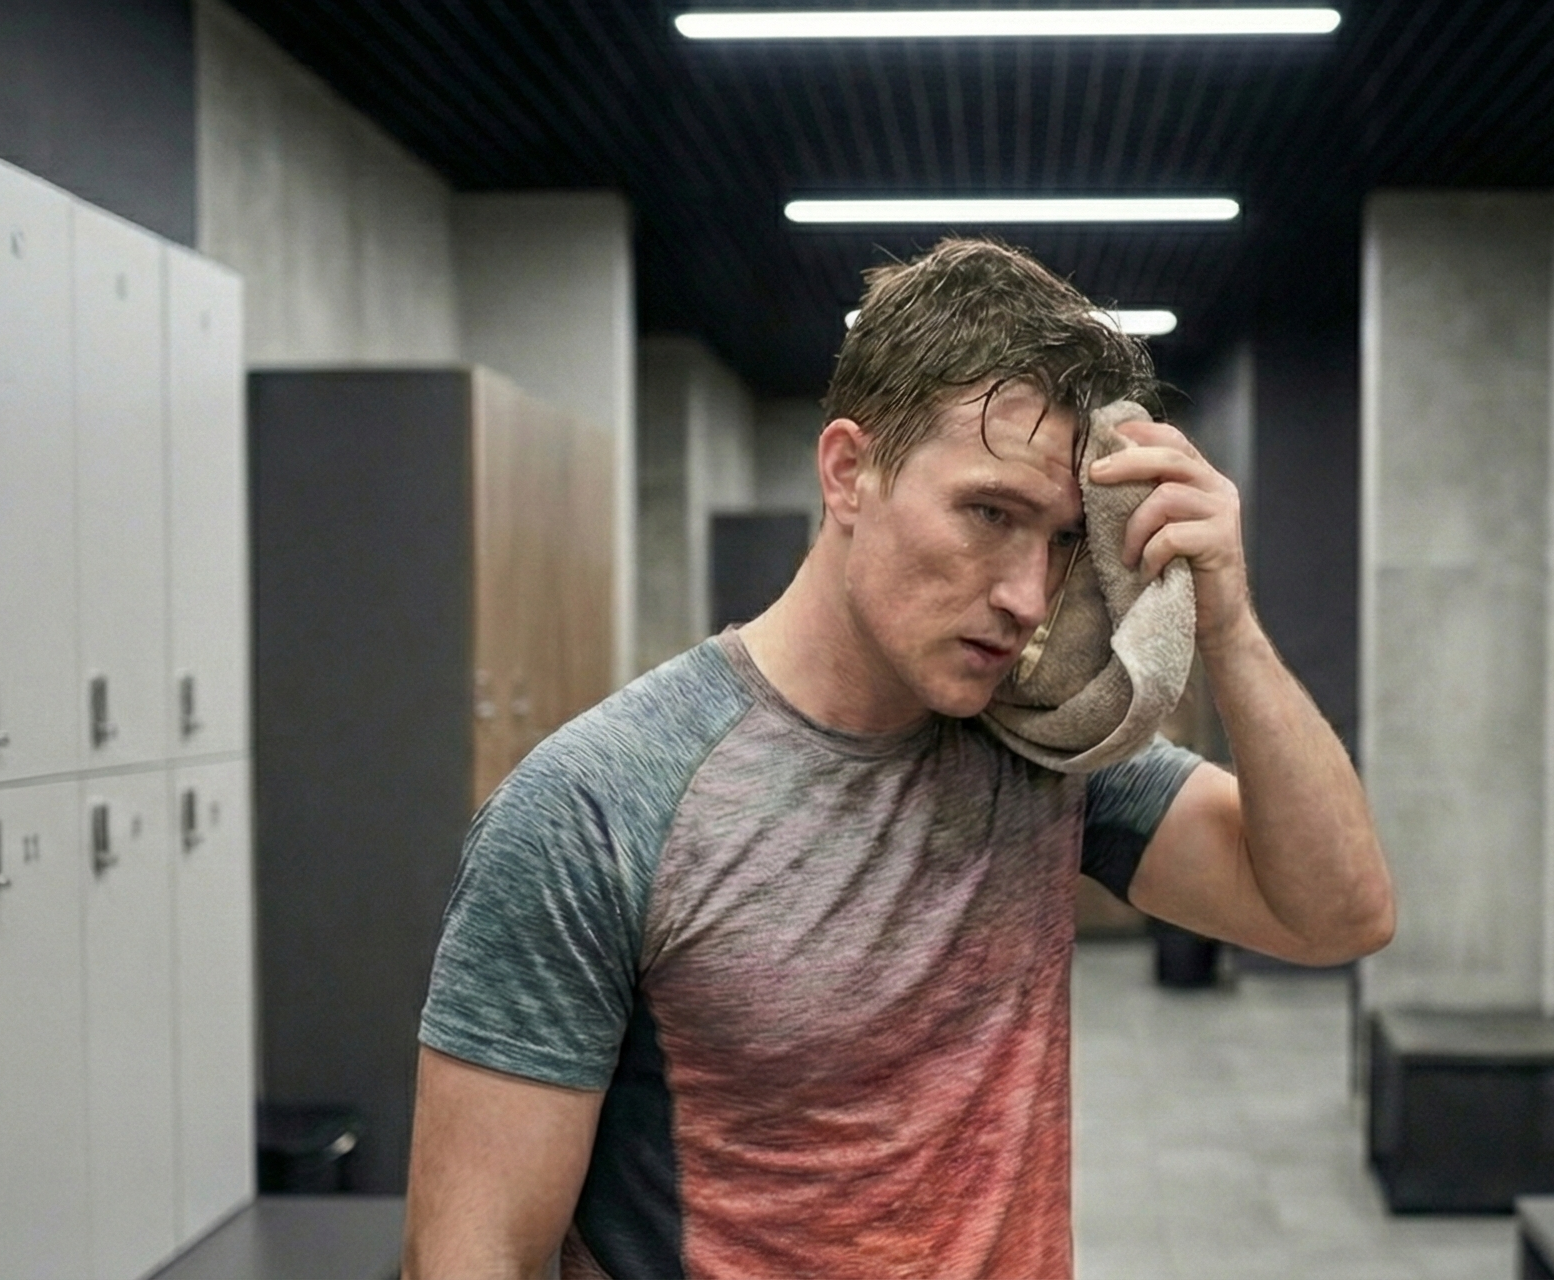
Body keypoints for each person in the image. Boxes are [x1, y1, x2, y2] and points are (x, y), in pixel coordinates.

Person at [400, 239, 1392, 1279]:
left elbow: (1335, 912)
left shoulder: (1041, 746)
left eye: (1058, 540)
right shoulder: (593, 806)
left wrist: (1224, 617)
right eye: (988, 513)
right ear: (848, 472)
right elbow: (475, 1253)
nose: (1025, 593)